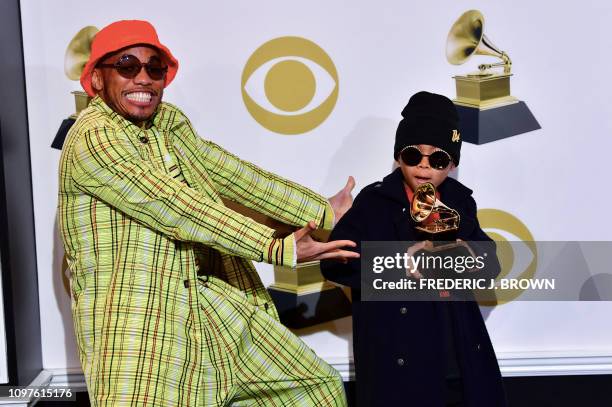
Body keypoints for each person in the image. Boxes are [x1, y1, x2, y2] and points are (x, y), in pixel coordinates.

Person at [58, 20, 358, 406]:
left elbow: (230, 174)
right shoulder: (93, 136)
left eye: (155, 68)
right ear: (97, 79)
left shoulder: (168, 122)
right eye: (127, 66)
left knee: (313, 388)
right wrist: (277, 248)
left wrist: (319, 210)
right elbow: (176, 207)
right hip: (137, 324)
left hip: (206, 303)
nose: (144, 78)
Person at [321, 91, 507, 406]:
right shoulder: (373, 202)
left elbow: (490, 266)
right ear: (398, 156)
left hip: (457, 357)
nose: (423, 166)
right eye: (412, 155)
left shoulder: (460, 203)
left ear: (451, 164)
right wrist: (400, 262)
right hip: (399, 360)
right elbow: (335, 264)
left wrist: (466, 255)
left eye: (437, 158)